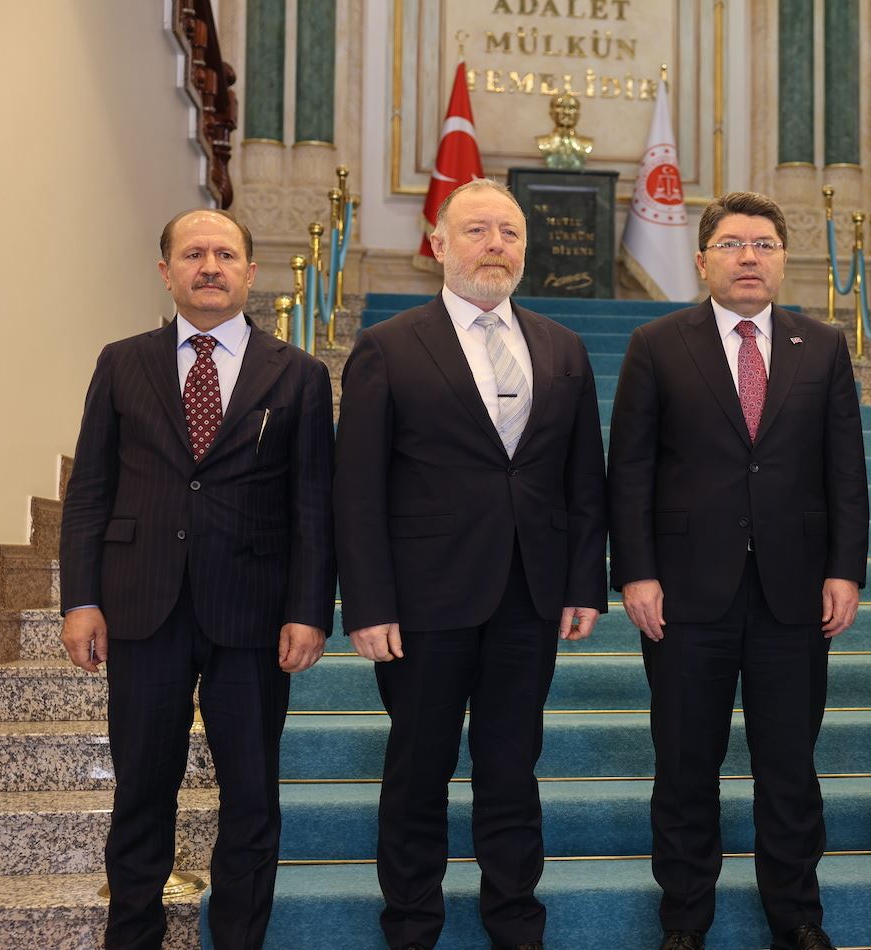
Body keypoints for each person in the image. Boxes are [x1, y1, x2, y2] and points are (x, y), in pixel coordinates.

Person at [333, 177, 607, 950]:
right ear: (439, 244)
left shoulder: (562, 347)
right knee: (418, 768)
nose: (496, 245)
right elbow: (356, 488)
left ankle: (515, 922)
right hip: (422, 601)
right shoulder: (388, 345)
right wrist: (369, 603)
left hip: (529, 595)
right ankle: (412, 924)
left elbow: (583, 479)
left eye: (510, 232)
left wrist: (584, 582)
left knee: (512, 768)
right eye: (478, 230)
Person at [58, 208, 336, 950]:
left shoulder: (299, 375)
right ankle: (132, 936)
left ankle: (239, 937)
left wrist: (309, 609)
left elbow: (314, 504)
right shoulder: (122, 362)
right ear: (166, 272)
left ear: (250, 272)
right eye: (192, 254)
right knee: (141, 789)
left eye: (224, 254)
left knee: (251, 794)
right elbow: (90, 490)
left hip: (253, 613)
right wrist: (81, 598)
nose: (209, 267)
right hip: (142, 606)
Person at [607, 191, 869, 950]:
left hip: (796, 592)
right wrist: (636, 573)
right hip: (686, 595)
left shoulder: (823, 346)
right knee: (685, 765)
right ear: (702, 260)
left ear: (783, 259)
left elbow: (845, 469)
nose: (748, 257)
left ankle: (798, 917)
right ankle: (685, 919)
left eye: (763, 245)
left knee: (789, 767)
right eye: (731, 244)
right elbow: (630, 469)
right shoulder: (657, 344)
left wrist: (846, 568)